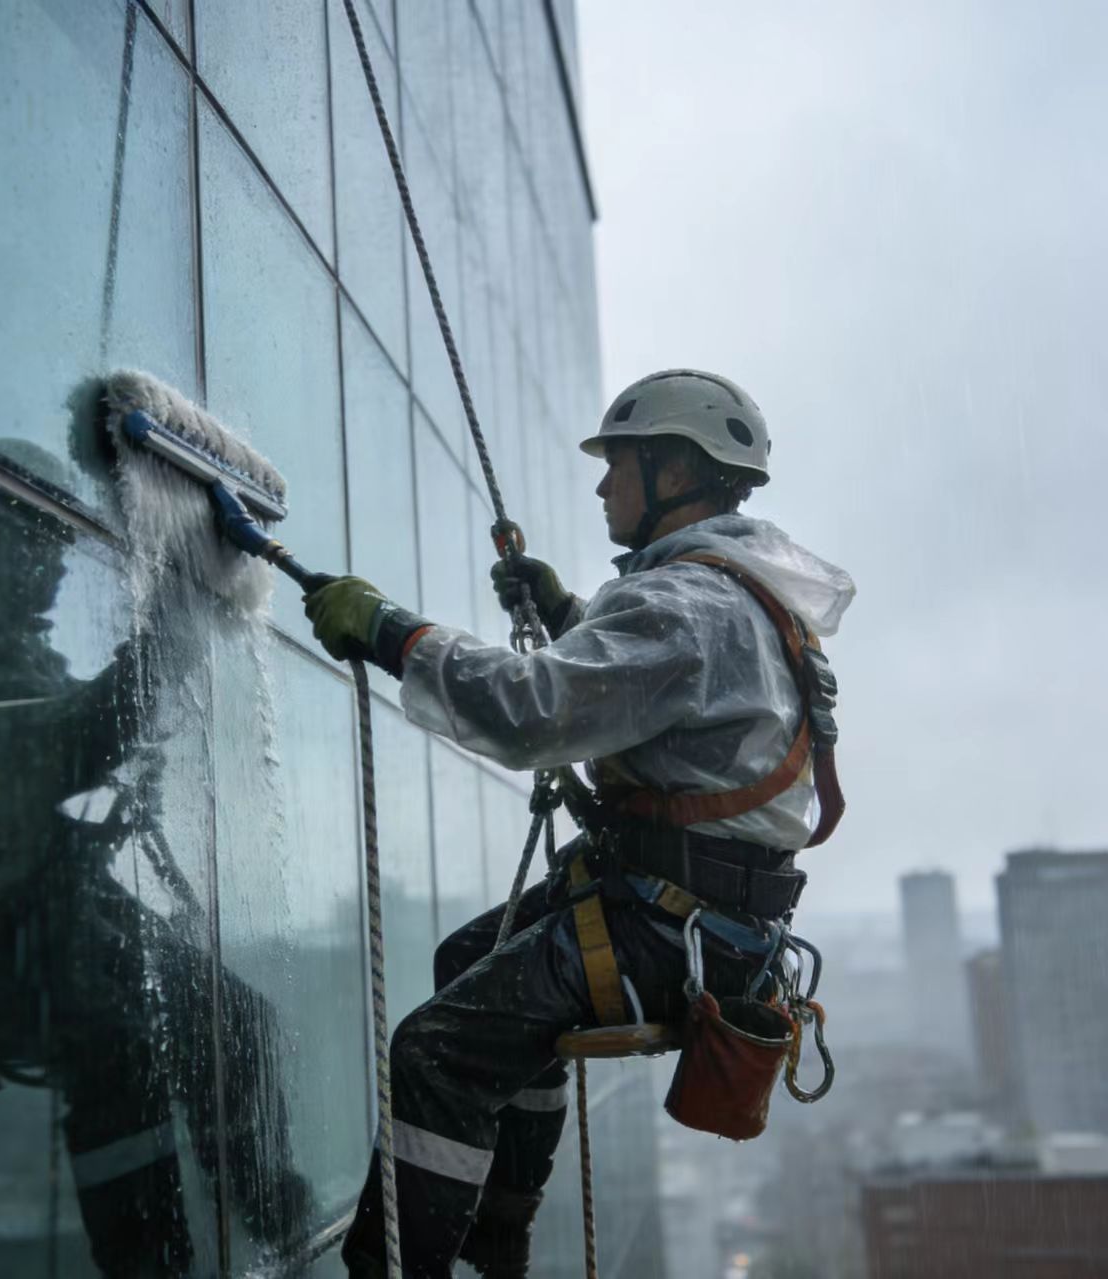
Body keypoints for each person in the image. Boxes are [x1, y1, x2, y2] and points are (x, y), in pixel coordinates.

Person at [303, 370, 855, 1278]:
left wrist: (391, 632)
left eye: (620, 464)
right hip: (705, 922)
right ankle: (499, 1235)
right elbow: (663, 693)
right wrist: (567, 613)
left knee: (432, 1053)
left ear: (675, 469)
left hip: (664, 925)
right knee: (464, 963)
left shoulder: (684, 603)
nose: (603, 484)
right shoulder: (741, 595)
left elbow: (532, 709)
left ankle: (401, 1267)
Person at [0, 440, 309, 1277]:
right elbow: (58, 748)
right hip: (4, 933)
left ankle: (273, 1216)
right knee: (123, 1058)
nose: (53, 568)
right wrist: (164, 639)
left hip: (47, 908)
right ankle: (165, 1258)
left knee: (235, 1020)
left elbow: (27, 771)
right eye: (40, 545)